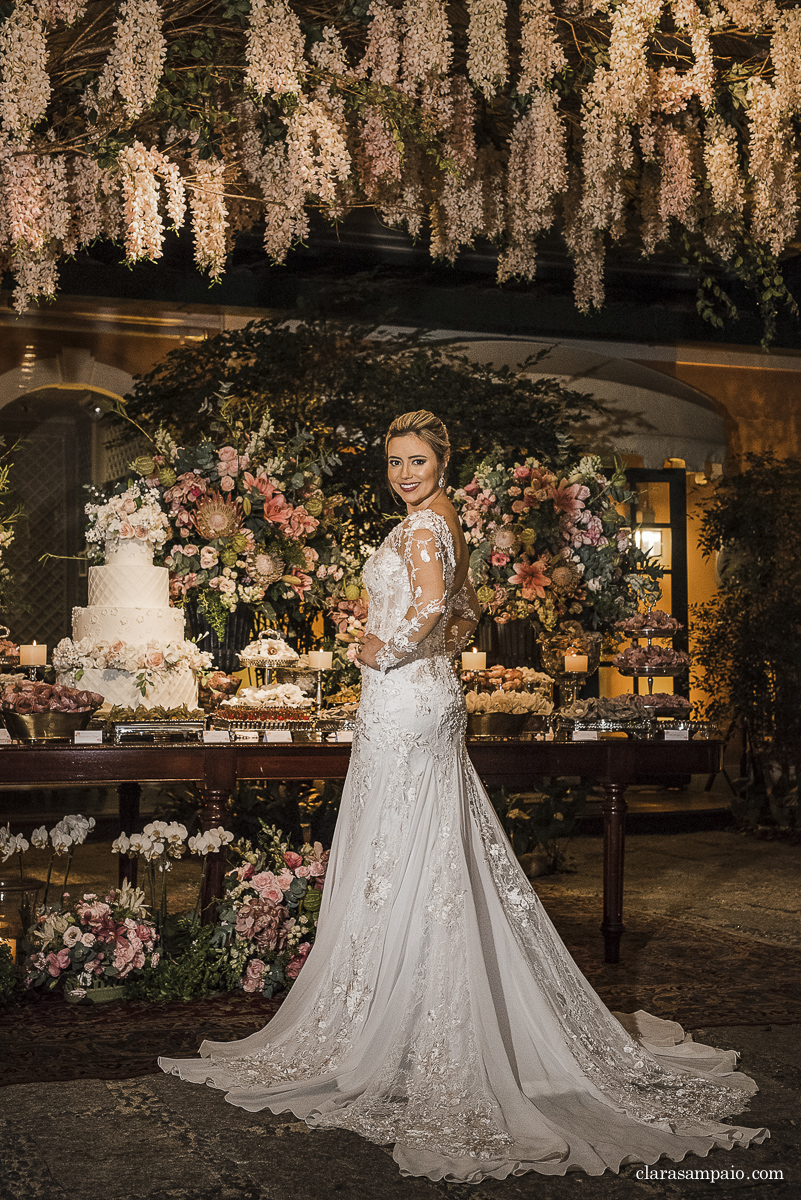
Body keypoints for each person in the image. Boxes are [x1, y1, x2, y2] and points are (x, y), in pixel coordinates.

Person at [160, 410, 767, 1182]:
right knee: (425, 850)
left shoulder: (422, 527)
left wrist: (379, 646)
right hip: (427, 697)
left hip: (403, 698)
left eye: (415, 460)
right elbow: (464, 613)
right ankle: (413, 1013)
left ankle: (406, 1024)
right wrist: (414, 642)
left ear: (442, 461)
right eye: (393, 461)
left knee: (405, 848)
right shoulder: (443, 520)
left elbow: (428, 607)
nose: (403, 472)